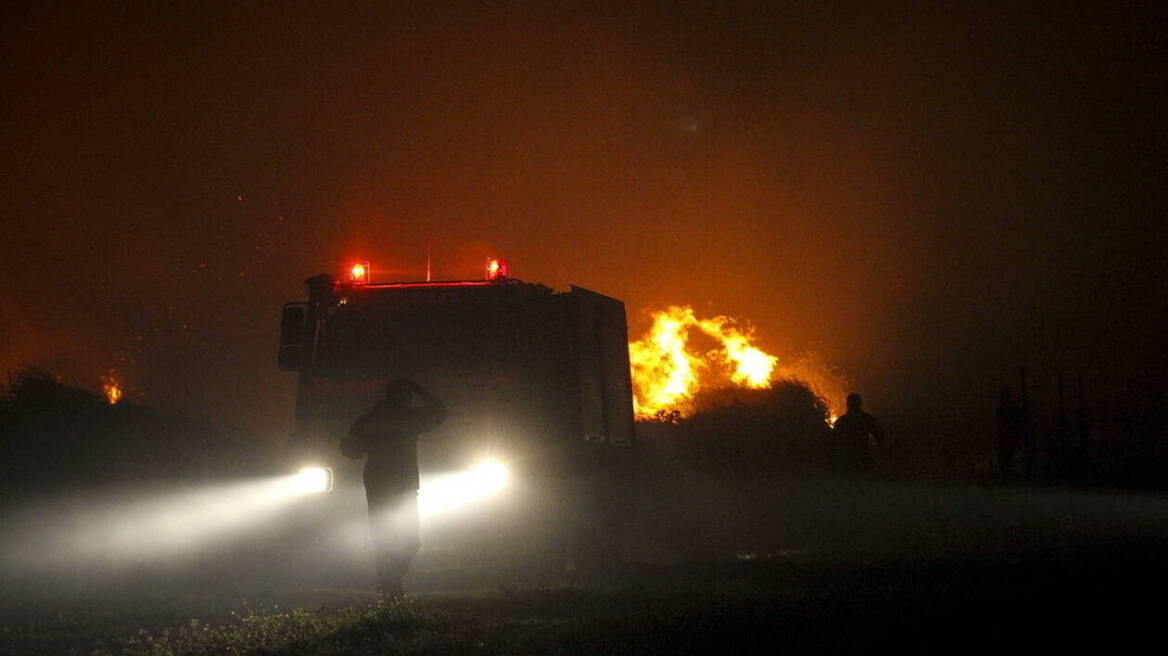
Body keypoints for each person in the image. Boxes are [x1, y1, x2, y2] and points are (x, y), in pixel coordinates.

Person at [341, 378, 446, 597]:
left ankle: (389, 582)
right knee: (410, 540)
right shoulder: (410, 419)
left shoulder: (370, 420)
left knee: (384, 537)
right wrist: (419, 388)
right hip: (404, 485)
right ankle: (392, 582)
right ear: (405, 397)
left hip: (378, 483)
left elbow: (351, 449)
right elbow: (439, 411)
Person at [832, 392, 885, 474]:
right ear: (860, 403)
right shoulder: (867, 419)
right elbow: (880, 437)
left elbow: (834, 441)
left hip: (847, 461)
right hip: (863, 458)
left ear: (847, 404)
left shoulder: (842, 421)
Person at [995, 386, 1025, 478]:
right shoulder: (1001, 409)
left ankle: (1008, 470)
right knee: (1006, 453)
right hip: (1007, 434)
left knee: (1008, 453)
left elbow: (1017, 421)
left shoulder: (1010, 408)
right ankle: (1007, 470)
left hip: (1010, 433)